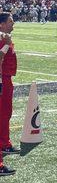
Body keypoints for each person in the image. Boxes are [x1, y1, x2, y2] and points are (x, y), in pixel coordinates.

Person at [0, 12, 19, 175]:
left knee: (6, 114)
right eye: (10, 21)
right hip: (2, 80)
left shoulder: (4, 36)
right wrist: (6, 44)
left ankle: (4, 143)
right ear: (2, 24)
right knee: (3, 114)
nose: (13, 24)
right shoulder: (2, 38)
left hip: (6, 79)